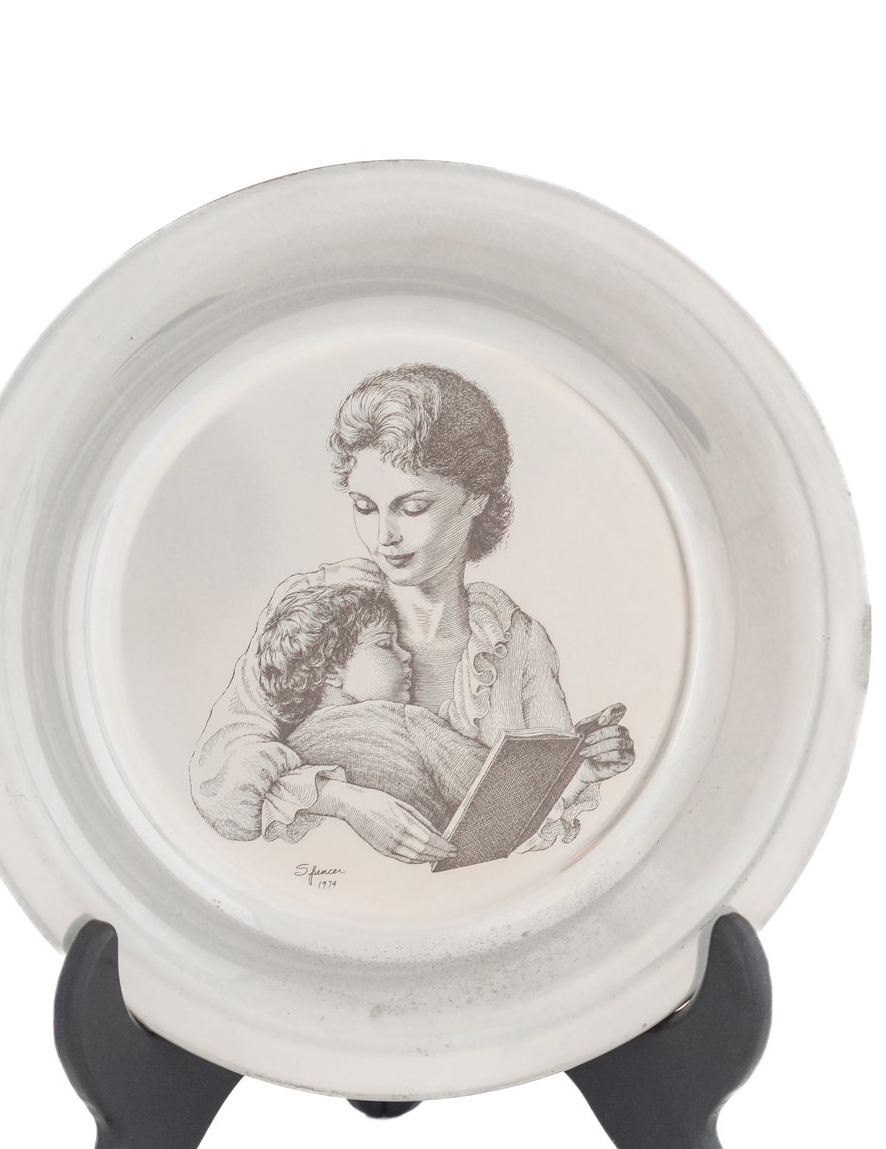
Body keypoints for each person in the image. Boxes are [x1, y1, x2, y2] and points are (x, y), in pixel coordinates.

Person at [190, 363, 636, 866]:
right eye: (365, 507)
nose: (385, 535)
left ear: (475, 498)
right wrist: (343, 800)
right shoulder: (319, 605)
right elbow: (219, 779)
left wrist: (582, 764)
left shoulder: (514, 639)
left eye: (413, 507)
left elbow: (530, 821)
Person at [254, 580, 488, 853]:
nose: (406, 655)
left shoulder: (291, 752)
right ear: (333, 670)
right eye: (385, 644)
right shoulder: (403, 721)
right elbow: (496, 785)